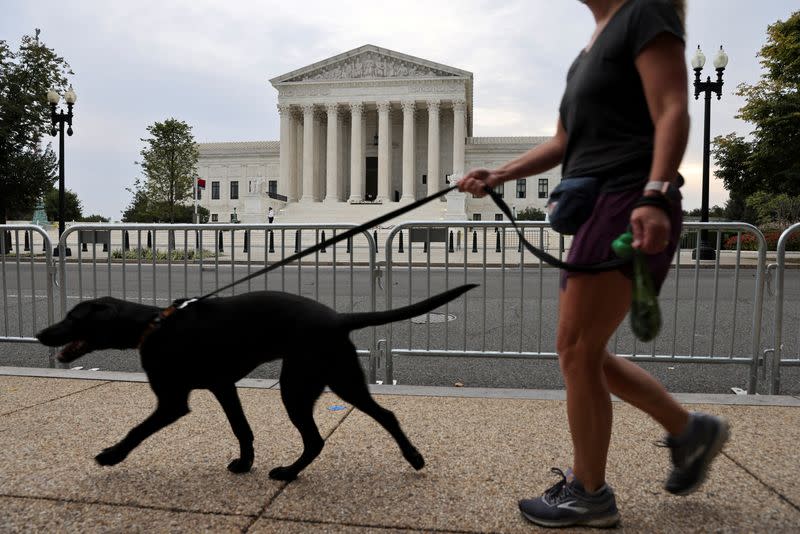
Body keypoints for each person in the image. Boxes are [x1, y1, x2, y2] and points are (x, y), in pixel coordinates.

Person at [457, 0, 728, 528]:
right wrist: (499, 174)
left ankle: (590, 493)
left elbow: (673, 106)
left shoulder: (644, 13)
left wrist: (653, 192)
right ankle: (688, 430)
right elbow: (564, 141)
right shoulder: (587, 53)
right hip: (596, 200)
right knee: (585, 352)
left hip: (627, 195)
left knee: (577, 350)